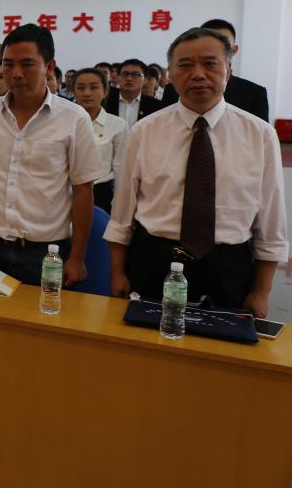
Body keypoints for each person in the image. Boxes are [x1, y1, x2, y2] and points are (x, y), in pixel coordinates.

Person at [106, 28, 286, 317]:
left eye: (210, 64)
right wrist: (117, 272)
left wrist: (261, 291)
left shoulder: (260, 135)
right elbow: (122, 214)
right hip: (153, 260)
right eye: (186, 65)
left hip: (229, 267)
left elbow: (271, 222)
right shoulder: (144, 132)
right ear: (171, 74)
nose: (198, 74)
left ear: (228, 70)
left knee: (222, 344)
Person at [0, 24, 102, 286]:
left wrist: (77, 257)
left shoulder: (73, 118)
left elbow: (83, 190)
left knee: (42, 312)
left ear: (49, 66)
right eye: (8, 64)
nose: (15, 73)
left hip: (47, 252)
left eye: (27, 64)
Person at [160, 18, 269, 122]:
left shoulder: (254, 95)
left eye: (224, 44)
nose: (198, 75)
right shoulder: (172, 91)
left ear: (233, 50)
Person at [73, 68, 128, 213]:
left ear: (105, 92)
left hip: (101, 193)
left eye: (94, 87)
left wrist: (120, 203)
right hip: (66, 191)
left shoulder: (117, 124)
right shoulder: (63, 121)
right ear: (73, 91)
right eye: (80, 88)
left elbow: (120, 167)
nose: (87, 93)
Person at [106, 59, 163, 128]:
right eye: (125, 74)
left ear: (145, 79)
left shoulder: (156, 106)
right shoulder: (105, 102)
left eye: (135, 75)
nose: (129, 78)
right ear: (118, 77)